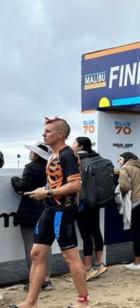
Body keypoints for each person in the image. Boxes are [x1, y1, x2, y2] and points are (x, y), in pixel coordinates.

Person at [14, 117, 90, 308]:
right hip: (49, 209)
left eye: (48, 131)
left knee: (70, 256)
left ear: (61, 134)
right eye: (44, 130)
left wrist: (47, 192)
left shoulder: (67, 155)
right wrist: (44, 190)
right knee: (37, 253)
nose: (43, 134)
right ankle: (31, 301)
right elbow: (57, 182)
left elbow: (75, 185)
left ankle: (84, 302)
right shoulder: (53, 156)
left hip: (62, 211)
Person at [11, 143, 54, 292]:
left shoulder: (31, 167)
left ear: (36, 155)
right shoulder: (52, 167)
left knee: (31, 247)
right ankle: (47, 279)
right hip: (48, 208)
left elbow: (22, 186)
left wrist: (14, 180)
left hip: (30, 211)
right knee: (46, 246)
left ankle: (35, 280)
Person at [72, 136, 109, 281]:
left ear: (80, 146)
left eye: (75, 143)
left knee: (85, 234)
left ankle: (87, 267)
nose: (72, 145)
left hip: (83, 201)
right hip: (97, 200)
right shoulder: (97, 157)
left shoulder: (79, 160)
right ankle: (99, 263)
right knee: (95, 231)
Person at [118, 152, 140, 270]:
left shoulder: (125, 168)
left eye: (120, 159)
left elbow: (125, 186)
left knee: (137, 232)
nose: (119, 161)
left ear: (126, 159)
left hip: (137, 201)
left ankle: (138, 262)